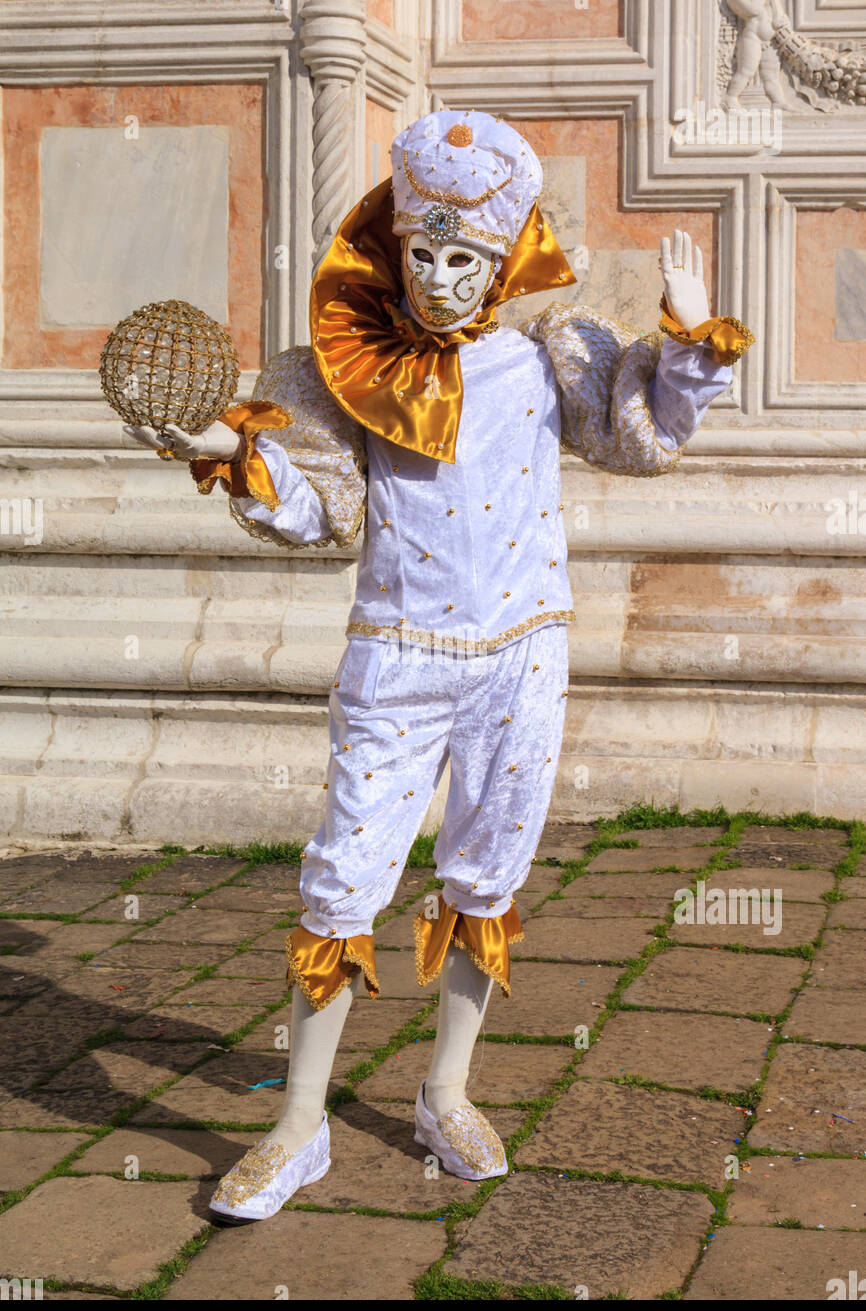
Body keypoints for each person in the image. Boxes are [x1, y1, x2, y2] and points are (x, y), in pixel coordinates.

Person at [126, 110, 754, 1221]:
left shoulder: (546, 356)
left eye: (465, 257)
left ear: (502, 259)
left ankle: (445, 1089)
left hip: (523, 656)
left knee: (486, 874)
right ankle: (296, 1124)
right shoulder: (349, 368)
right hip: (398, 657)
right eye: (424, 252)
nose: (442, 276)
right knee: (340, 881)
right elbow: (320, 505)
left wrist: (692, 343)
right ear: (399, 245)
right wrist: (236, 452)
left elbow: (638, 431)